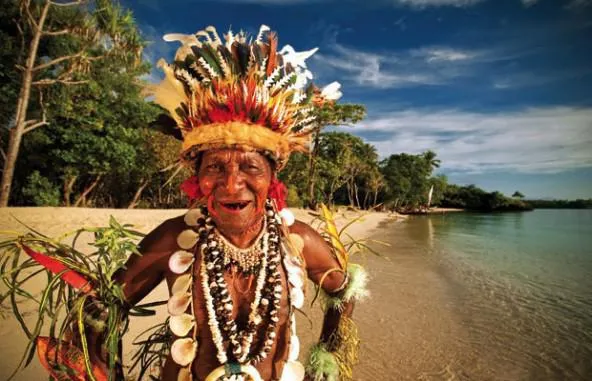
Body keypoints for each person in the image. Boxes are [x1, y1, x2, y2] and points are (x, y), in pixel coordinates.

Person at [5, 24, 367, 381]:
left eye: (250, 167)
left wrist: (327, 358)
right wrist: (96, 358)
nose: (231, 183)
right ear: (197, 178)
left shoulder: (298, 241)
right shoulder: (172, 239)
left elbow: (342, 290)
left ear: (272, 178)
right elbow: (106, 304)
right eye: (215, 167)